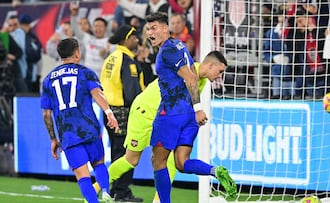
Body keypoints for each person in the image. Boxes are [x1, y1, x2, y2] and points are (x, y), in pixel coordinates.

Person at [92, 50, 228, 202]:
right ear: (210, 65)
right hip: (145, 111)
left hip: (163, 116)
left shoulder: (200, 80)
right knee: (131, 160)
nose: (220, 76)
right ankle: (96, 189)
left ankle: (159, 200)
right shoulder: (188, 71)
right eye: (220, 71)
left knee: (169, 160)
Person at [145, 12, 237, 203]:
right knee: (181, 162)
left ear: (165, 28)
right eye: (147, 29)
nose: (149, 33)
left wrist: (198, 108)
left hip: (171, 112)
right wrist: (194, 110)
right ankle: (215, 170)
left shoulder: (168, 50)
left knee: (158, 161)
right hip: (187, 116)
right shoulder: (180, 45)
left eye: (154, 28)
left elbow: (190, 77)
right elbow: (193, 72)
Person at [40, 38, 118, 203]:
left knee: (82, 174)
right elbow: (97, 93)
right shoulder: (85, 72)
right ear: (77, 53)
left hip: (68, 134)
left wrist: (53, 138)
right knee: (99, 164)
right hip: (88, 127)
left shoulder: (47, 80)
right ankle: (105, 192)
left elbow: (46, 114)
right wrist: (109, 111)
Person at [99, 25, 144, 202]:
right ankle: (121, 191)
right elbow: (133, 92)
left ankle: (115, 190)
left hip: (109, 110)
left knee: (116, 152)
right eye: (133, 37)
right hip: (123, 112)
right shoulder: (128, 61)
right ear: (125, 40)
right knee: (127, 154)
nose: (137, 40)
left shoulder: (110, 58)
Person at [263, 8, 293, 100]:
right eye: (280, 15)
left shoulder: (292, 31)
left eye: (284, 15)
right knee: (277, 98)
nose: (282, 17)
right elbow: (266, 52)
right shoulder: (271, 33)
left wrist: (290, 59)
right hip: (277, 74)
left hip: (291, 74)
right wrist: (273, 59)